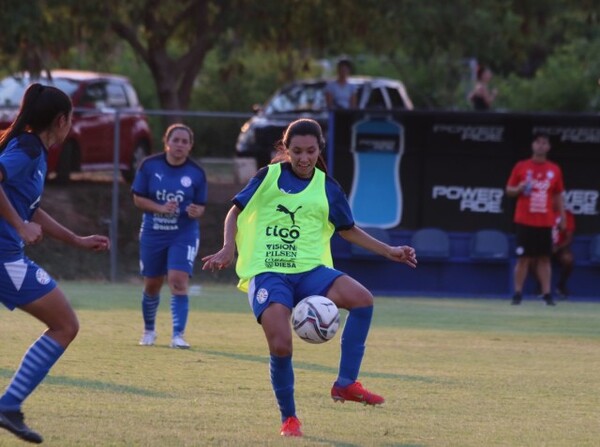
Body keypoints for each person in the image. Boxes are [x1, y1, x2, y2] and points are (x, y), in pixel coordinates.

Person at [202, 118, 417, 437]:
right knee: (281, 343)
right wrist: (227, 247)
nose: (304, 158)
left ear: (320, 150)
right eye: (297, 151)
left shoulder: (327, 187)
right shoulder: (268, 176)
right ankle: (289, 418)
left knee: (362, 301)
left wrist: (389, 251)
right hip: (269, 271)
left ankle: (345, 384)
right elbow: (235, 211)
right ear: (286, 150)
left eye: (311, 151)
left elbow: (348, 231)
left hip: (310, 271)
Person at [0, 83, 110, 444]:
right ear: (61, 119)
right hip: (4, 257)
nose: (72, 126)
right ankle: (9, 405)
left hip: (9, 255)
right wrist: (19, 226)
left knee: (64, 324)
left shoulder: (33, 150)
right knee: (64, 325)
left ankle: (9, 406)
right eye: (72, 119)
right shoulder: (29, 147)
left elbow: (31, 208)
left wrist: (76, 240)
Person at [132, 123, 207, 349]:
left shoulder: (197, 173)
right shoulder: (149, 166)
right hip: (153, 232)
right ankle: (149, 330)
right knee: (152, 284)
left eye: (185, 142)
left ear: (190, 146)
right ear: (167, 142)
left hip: (183, 234)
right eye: (176, 140)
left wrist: (196, 211)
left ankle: (178, 336)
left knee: (178, 280)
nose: (180, 145)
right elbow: (137, 198)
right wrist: (160, 208)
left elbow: (201, 206)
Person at [506, 133, 566, 306]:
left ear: (548, 147)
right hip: (525, 220)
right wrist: (519, 188)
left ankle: (547, 294)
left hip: (545, 220)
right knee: (523, 258)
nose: (540, 146)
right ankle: (517, 293)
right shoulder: (521, 167)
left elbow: (558, 195)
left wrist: (562, 218)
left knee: (544, 258)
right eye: (538, 142)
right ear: (533, 145)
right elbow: (509, 190)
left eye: (544, 143)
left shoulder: (554, 169)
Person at [552, 207, 575, 299]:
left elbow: (569, 238)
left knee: (568, 259)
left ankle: (561, 286)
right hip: (543, 246)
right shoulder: (543, 212)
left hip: (560, 248)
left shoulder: (567, 215)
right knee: (531, 259)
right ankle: (541, 286)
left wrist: (558, 247)